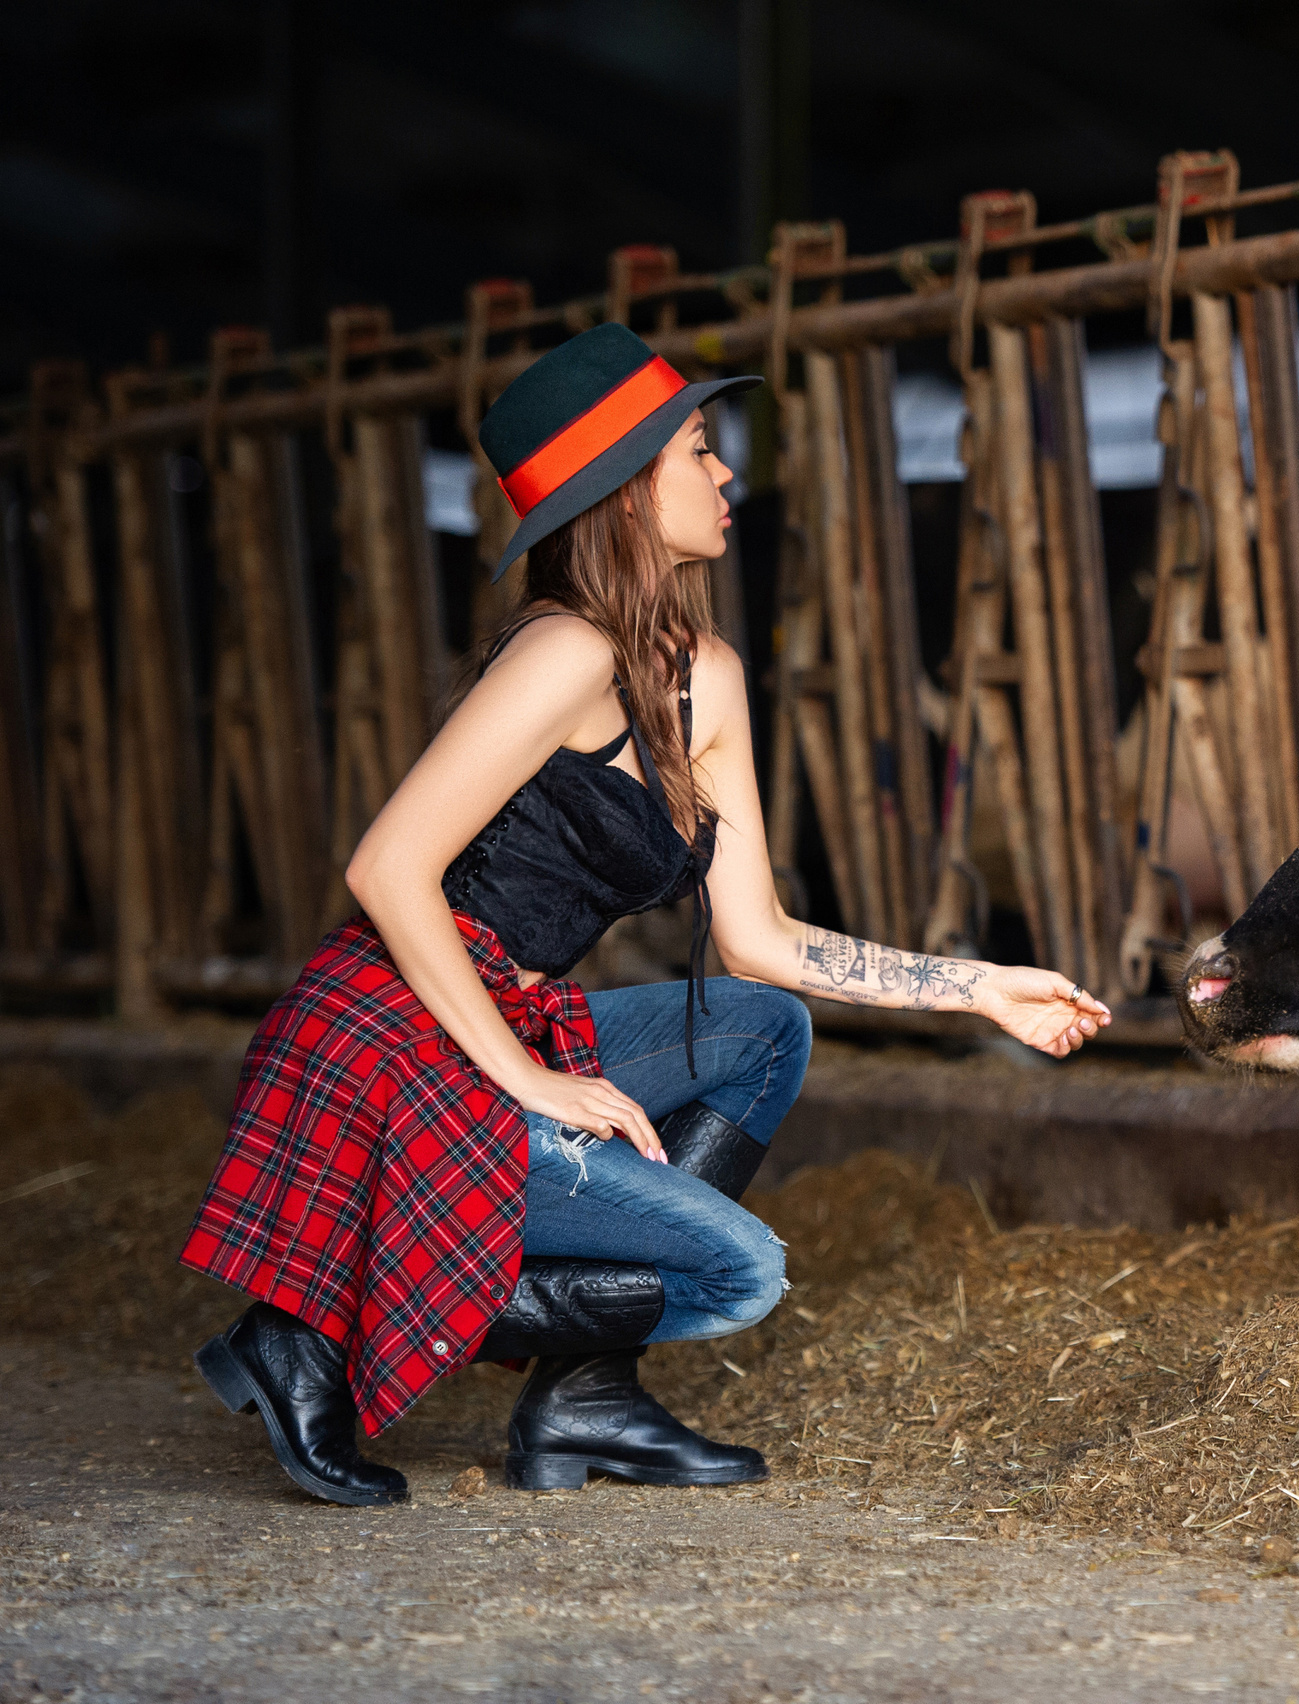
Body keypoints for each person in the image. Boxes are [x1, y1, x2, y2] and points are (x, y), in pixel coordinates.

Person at [180, 324, 1109, 1507]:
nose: (728, 475)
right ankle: (307, 1330)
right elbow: (388, 867)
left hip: (509, 1024)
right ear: (624, 492)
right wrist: (530, 1079)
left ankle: (584, 1397)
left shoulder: (702, 675)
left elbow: (759, 939)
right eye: (699, 452)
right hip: (392, 1043)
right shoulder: (564, 651)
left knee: (763, 1027)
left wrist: (980, 988)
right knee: (739, 1275)